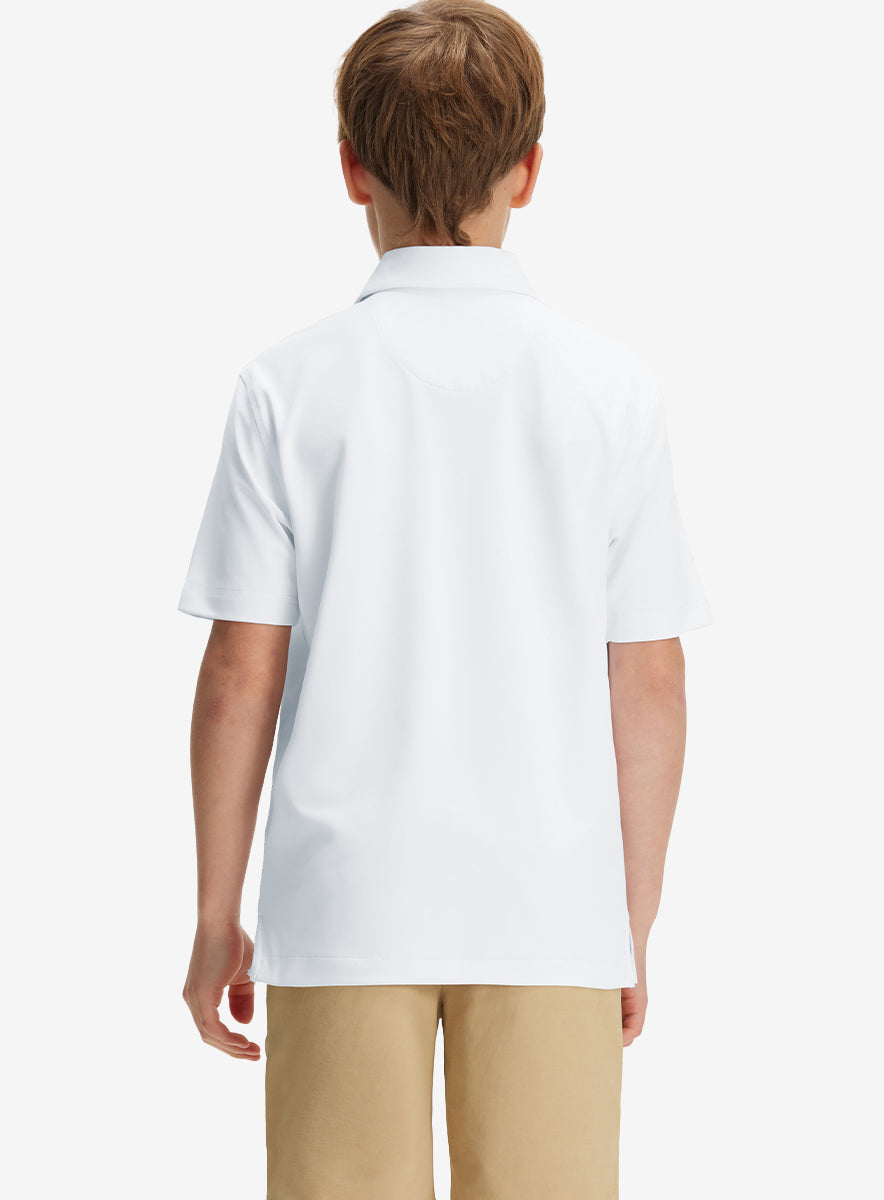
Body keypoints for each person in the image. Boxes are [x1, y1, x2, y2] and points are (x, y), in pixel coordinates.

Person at [177, 2, 713, 1196]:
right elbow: (652, 682)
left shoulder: (286, 387)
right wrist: (628, 921)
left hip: (343, 904)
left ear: (351, 167)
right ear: (529, 172)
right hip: (551, 909)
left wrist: (217, 912)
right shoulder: (611, 392)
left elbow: (238, 676)